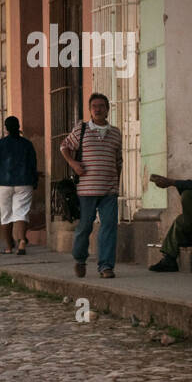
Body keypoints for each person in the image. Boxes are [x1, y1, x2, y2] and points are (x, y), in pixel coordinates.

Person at [61, 92, 124, 279]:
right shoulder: (81, 129)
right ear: (90, 110)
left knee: (109, 227)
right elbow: (64, 147)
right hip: (86, 189)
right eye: (94, 106)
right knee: (85, 227)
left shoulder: (115, 133)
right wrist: (73, 163)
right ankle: (80, 259)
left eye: (101, 106)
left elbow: (118, 161)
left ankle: (106, 266)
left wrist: (117, 184)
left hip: (109, 190)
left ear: (107, 109)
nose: (98, 109)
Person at [150, 131, 192, 273]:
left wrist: (172, 182)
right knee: (180, 220)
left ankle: (190, 234)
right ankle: (169, 259)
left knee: (188, 197)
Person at [0, 115, 40, 254]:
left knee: (6, 215)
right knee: (21, 212)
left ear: (6, 128)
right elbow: (33, 164)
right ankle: (22, 241)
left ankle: (9, 247)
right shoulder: (27, 144)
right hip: (24, 182)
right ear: (18, 127)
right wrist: (35, 180)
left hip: (3, 182)